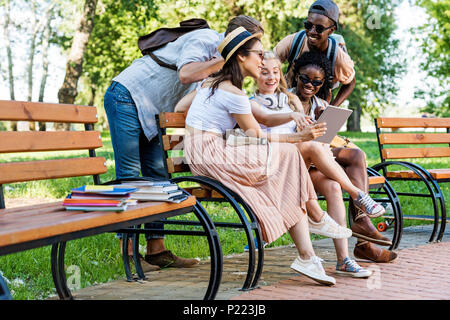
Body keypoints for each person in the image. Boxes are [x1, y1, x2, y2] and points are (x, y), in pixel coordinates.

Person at [180, 26, 355, 286]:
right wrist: (298, 138)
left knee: (286, 174)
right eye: (259, 55)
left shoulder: (215, 82)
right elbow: (256, 136)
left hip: (206, 152)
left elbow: (261, 118)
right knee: (289, 154)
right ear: (241, 57)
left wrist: (294, 119)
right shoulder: (233, 92)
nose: (263, 61)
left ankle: (308, 255)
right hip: (212, 155)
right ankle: (316, 217)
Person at [104, 15, 264, 269]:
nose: (257, 57)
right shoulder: (204, 40)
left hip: (156, 110)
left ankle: (156, 251)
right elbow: (186, 74)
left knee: (159, 177)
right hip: (127, 95)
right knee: (131, 176)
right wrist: (226, 58)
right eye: (252, 48)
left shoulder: (224, 71)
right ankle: (130, 253)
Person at [250, 51, 388, 276]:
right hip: (277, 166)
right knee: (315, 147)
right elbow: (264, 127)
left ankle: (344, 260)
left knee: (333, 185)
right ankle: (358, 195)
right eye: (264, 73)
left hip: (302, 163)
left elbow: (303, 128)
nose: (271, 77)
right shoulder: (252, 103)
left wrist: (317, 124)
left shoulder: (290, 100)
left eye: (275, 72)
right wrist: (300, 127)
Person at [288, 51, 398, 263]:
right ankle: (363, 237)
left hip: (318, 161)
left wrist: (326, 128)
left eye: (317, 82)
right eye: (304, 78)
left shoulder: (320, 105)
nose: (310, 84)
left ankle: (359, 226)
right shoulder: (285, 100)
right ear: (296, 76)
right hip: (297, 164)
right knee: (337, 170)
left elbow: (327, 142)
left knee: (356, 154)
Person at [274, 0, 355, 107]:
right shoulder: (293, 42)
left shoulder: (339, 58)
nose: (312, 31)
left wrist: (331, 109)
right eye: (308, 25)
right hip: (287, 102)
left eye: (319, 28)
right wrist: (278, 93)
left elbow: (350, 83)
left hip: (317, 108)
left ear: (331, 30)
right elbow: (270, 65)